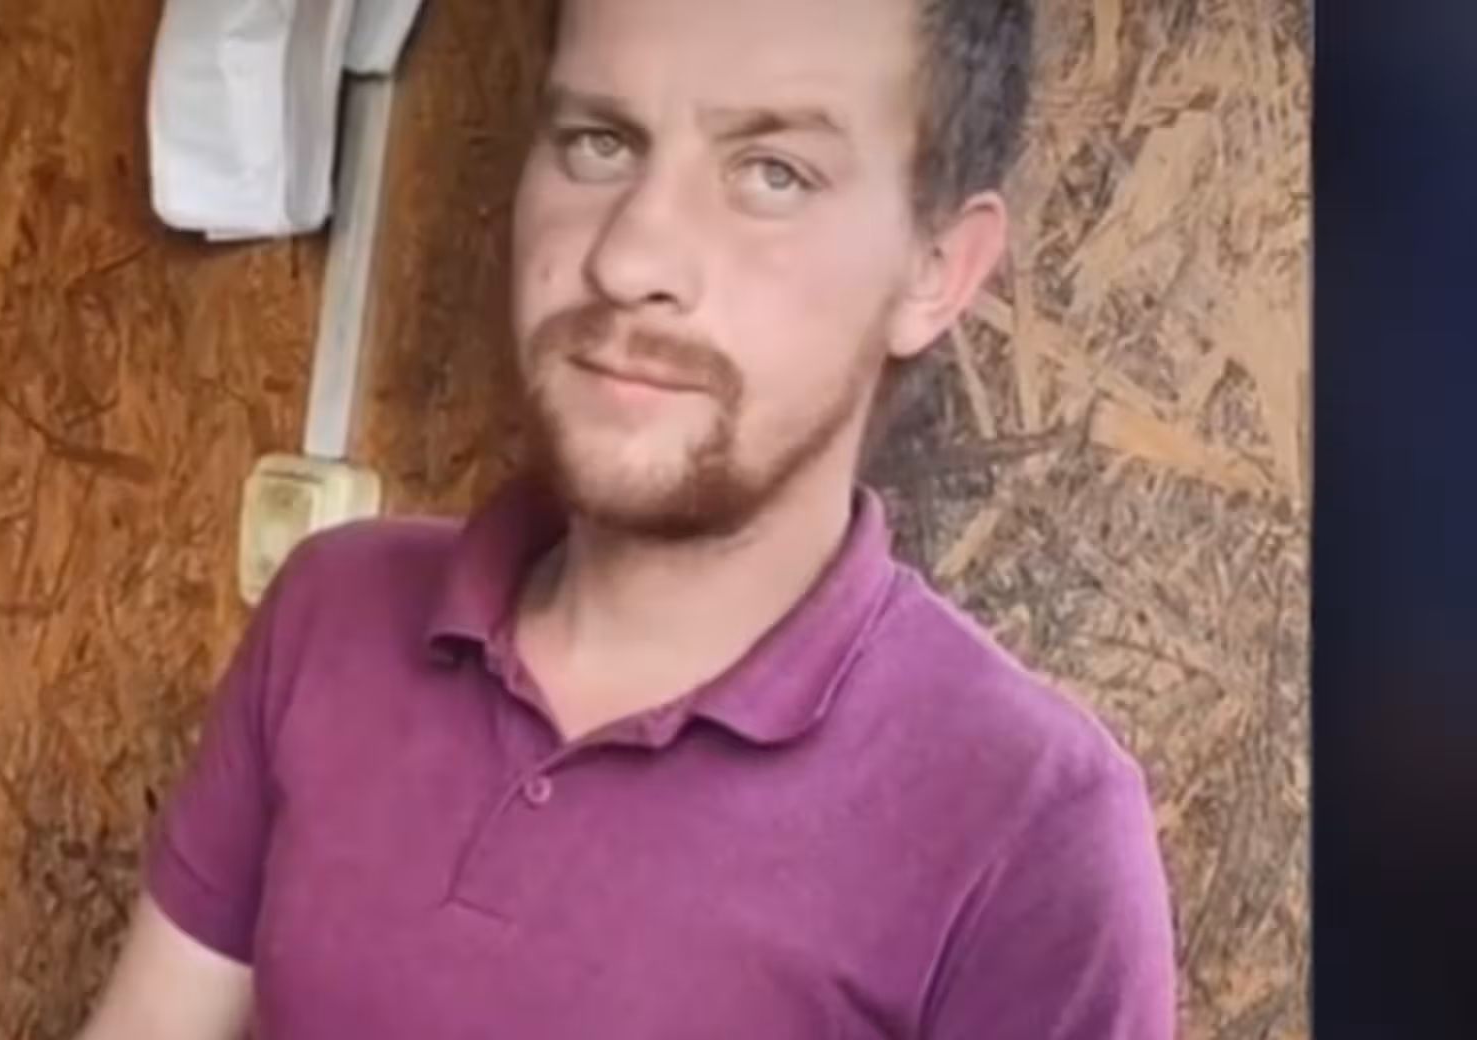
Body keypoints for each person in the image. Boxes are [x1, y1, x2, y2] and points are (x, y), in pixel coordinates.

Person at [78, 0, 1176, 1036]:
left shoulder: (1030, 827)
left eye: (773, 173)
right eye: (599, 142)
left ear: (936, 272)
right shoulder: (335, 610)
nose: (628, 257)